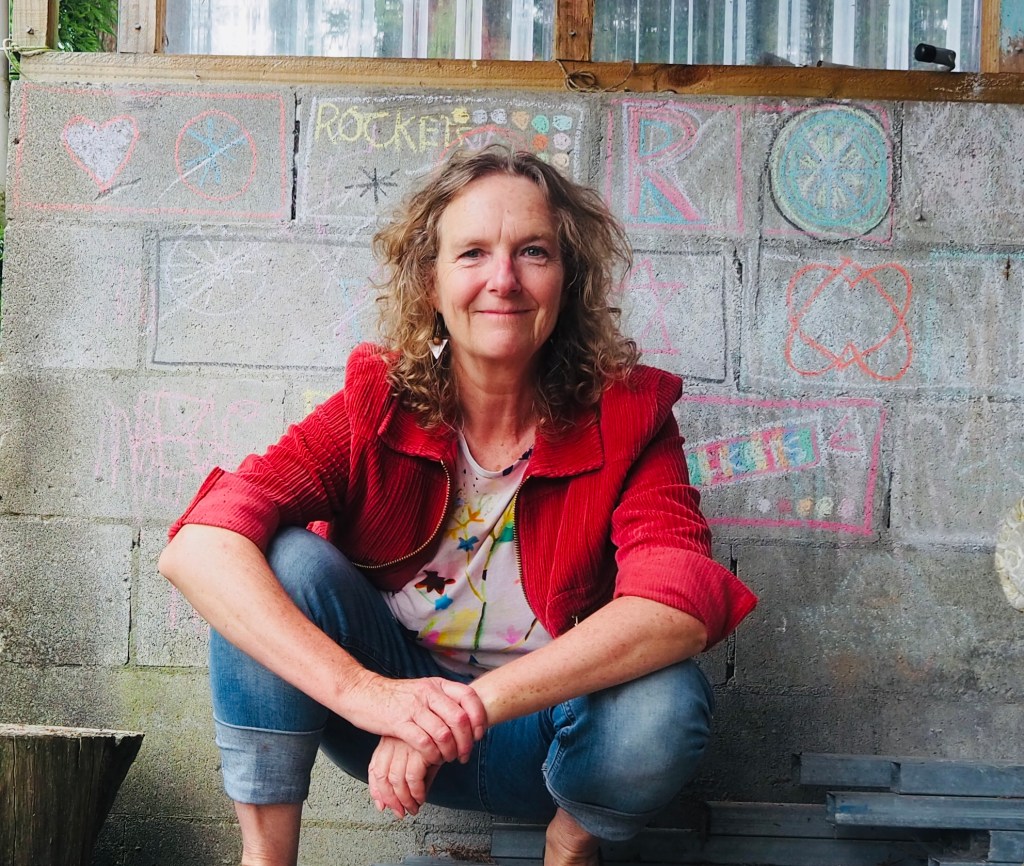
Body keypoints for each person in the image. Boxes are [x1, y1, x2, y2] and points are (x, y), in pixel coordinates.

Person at [159, 145, 757, 866]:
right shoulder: (378, 404)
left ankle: (571, 847)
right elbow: (199, 545)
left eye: (533, 252)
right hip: (385, 723)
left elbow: (676, 607)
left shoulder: (629, 416)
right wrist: (373, 697)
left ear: (568, 279)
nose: (503, 280)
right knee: (276, 559)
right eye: (472, 253)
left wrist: (465, 708)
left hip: (551, 742)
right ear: (431, 282)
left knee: (664, 695)